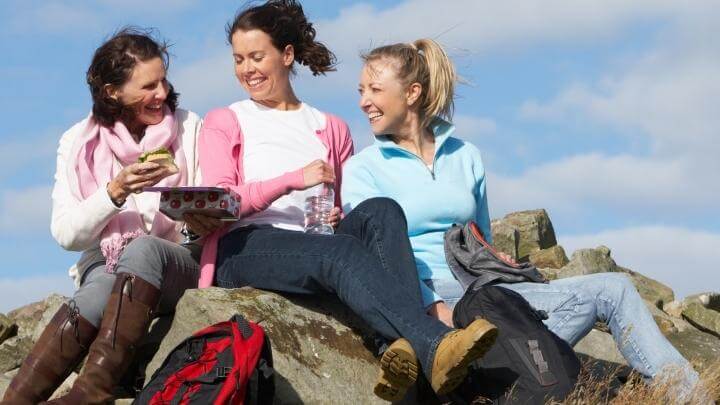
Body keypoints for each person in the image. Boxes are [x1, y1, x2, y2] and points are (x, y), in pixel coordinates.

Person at [342, 38, 708, 401]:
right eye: (361, 90)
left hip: (486, 287)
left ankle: (693, 396)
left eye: (374, 89)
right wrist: (431, 307)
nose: (363, 102)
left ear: (412, 93)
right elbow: (374, 256)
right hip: (430, 290)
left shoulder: (465, 155)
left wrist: (508, 271)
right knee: (528, 328)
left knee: (614, 288)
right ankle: (483, 365)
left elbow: (481, 237)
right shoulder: (363, 169)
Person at [196, 0, 498, 401]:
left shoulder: (330, 127)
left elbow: (339, 211)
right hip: (247, 246)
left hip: (313, 245)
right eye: (238, 59)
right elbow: (220, 202)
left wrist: (337, 216)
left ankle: (399, 350)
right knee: (336, 253)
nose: (246, 70)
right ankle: (434, 342)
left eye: (256, 57)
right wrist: (290, 181)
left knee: (381, 211)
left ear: (287, 56)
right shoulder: (226, 119)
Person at [2, 28, 222, 405]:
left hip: (175, 263)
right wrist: (115, 191)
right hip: (105, 267)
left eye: (163, 81)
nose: (161, 94)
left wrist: (194, 217)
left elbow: (210, 200)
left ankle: (92, 391)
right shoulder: (77, 142)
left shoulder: (189, 126)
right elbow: (67, 235)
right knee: (103, 284)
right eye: (148, 86)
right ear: (112, 92)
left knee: (143, 251)